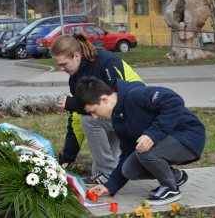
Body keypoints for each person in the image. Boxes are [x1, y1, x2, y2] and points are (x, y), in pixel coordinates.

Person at [74, 76, 206, 206]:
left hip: (189, 135)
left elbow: (174, 101)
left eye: (93, 111)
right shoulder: (118, 120)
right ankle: (176, 177)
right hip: (167, 141)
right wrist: (110, 185)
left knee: (145, 150)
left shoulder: (136, 95)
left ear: (104, 99)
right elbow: (127, 154)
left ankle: (170, 188)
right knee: (129, 169)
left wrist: (152, 134)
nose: (95, 117)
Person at [50, 32, 143, 187]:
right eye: (58, 65)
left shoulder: (107, 61)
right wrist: (68, 157)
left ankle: (109, 174)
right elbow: (76, 118)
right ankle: (111, 175)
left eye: (63, 64)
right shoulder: (75, 78)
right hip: (114, 118)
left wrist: (75, 105)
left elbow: (118, 102)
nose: (60, 68)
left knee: (89, 119)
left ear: (76, 56)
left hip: (134, 114)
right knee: (96, 172)